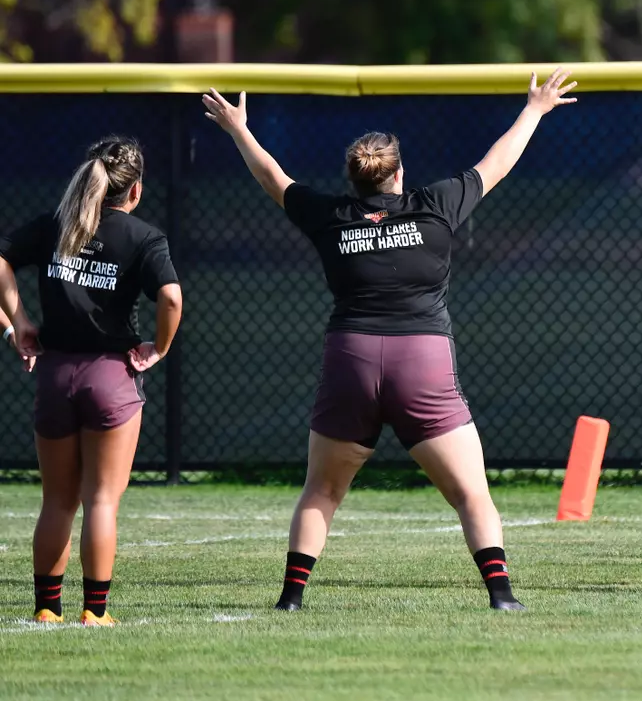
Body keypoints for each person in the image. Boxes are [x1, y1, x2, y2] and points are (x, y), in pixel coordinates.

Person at [202, 72, 578, 611]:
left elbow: (273, 178)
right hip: (419, 359)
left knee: (323, 490)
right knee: (471, 493)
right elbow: (497, 162)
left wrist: (239, 129)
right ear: (399, 174)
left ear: (353, 182)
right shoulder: (435, 204)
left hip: (350, 358)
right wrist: (536, 110)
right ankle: (501, 595)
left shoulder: (331, 217)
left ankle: (290, 598)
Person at [0, 136, 183, 625]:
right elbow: (170, 299)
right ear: (135, 190)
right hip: (110, 378)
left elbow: (0, 261)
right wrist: (159, 348)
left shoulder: (55, 224)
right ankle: (94, 612)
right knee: (101, 499)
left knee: (56, 500)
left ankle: (45, 608)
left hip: (56, 374)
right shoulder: (143, 237)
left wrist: (19, 324)